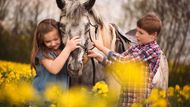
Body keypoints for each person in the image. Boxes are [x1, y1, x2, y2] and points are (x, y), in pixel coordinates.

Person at [88, 13, 167, 106]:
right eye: (137, 31)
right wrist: (100, 58)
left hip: (138, 103)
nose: (136, 35)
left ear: (153, 35)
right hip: (124, 102)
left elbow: (123, 61)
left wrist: (102, 48)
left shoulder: (153, 50)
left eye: (141, 33)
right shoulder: (136, 48)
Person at [30, 19, 80, 92]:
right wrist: (68, 48)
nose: (53, 43)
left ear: (61, 35)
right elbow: (54, 69)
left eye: (56, 39)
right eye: (48, 41)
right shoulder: (42, 53)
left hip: (59, 96)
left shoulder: (63, 51)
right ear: (41, 40)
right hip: (42, 97)